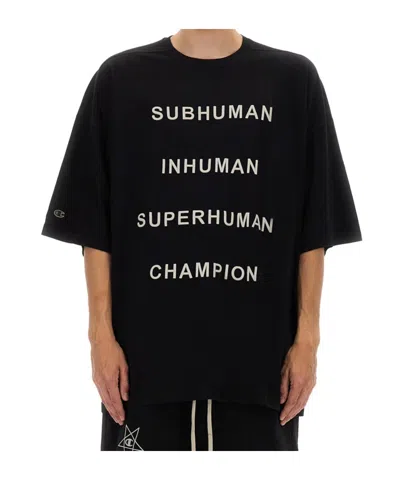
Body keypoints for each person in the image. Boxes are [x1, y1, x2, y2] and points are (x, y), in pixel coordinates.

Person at [41, 29, 362, 451]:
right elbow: (93, 223)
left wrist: (309, 339)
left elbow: (314, 224)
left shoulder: (292, 79)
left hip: (260, 364)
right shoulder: (120, 79)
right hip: (142, 364)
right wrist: (99, 336)